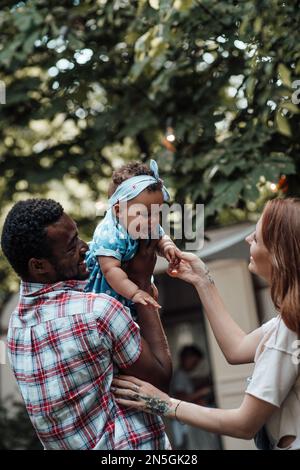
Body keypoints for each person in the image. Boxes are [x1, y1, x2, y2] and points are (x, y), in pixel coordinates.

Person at [112, 198, 300, 451]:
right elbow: (237, 349)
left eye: (255, 239)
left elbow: (244, 424)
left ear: (279, 253)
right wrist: (202, 281)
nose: (247, 241)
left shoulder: (291, 329)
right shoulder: (288, 323)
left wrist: (163, 403)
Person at [1, 198, 172, 450]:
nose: (85, 248)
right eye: (71, 247)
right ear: (39, 266)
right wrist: (141, 282)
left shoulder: (15, 329)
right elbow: (160, 382)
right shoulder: (97, 312)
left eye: (78, 237)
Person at [85, 160, 181, 316]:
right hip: (107, 289)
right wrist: (135, 292)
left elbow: (160, 237)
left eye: (157, 212)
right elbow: (110, 270)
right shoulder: (109, 234)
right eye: (144, 213)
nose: (153, 220)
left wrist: (168, 247)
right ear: (118, 211)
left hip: (129, 280)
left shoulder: (146, 223)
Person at [170, 345, 219, 450]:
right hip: (184, 423)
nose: (195, 366)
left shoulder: (183, 375)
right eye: (194, 362)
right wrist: (202, 392)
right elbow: (181, 399)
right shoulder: (180, 376)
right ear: (187, 359)